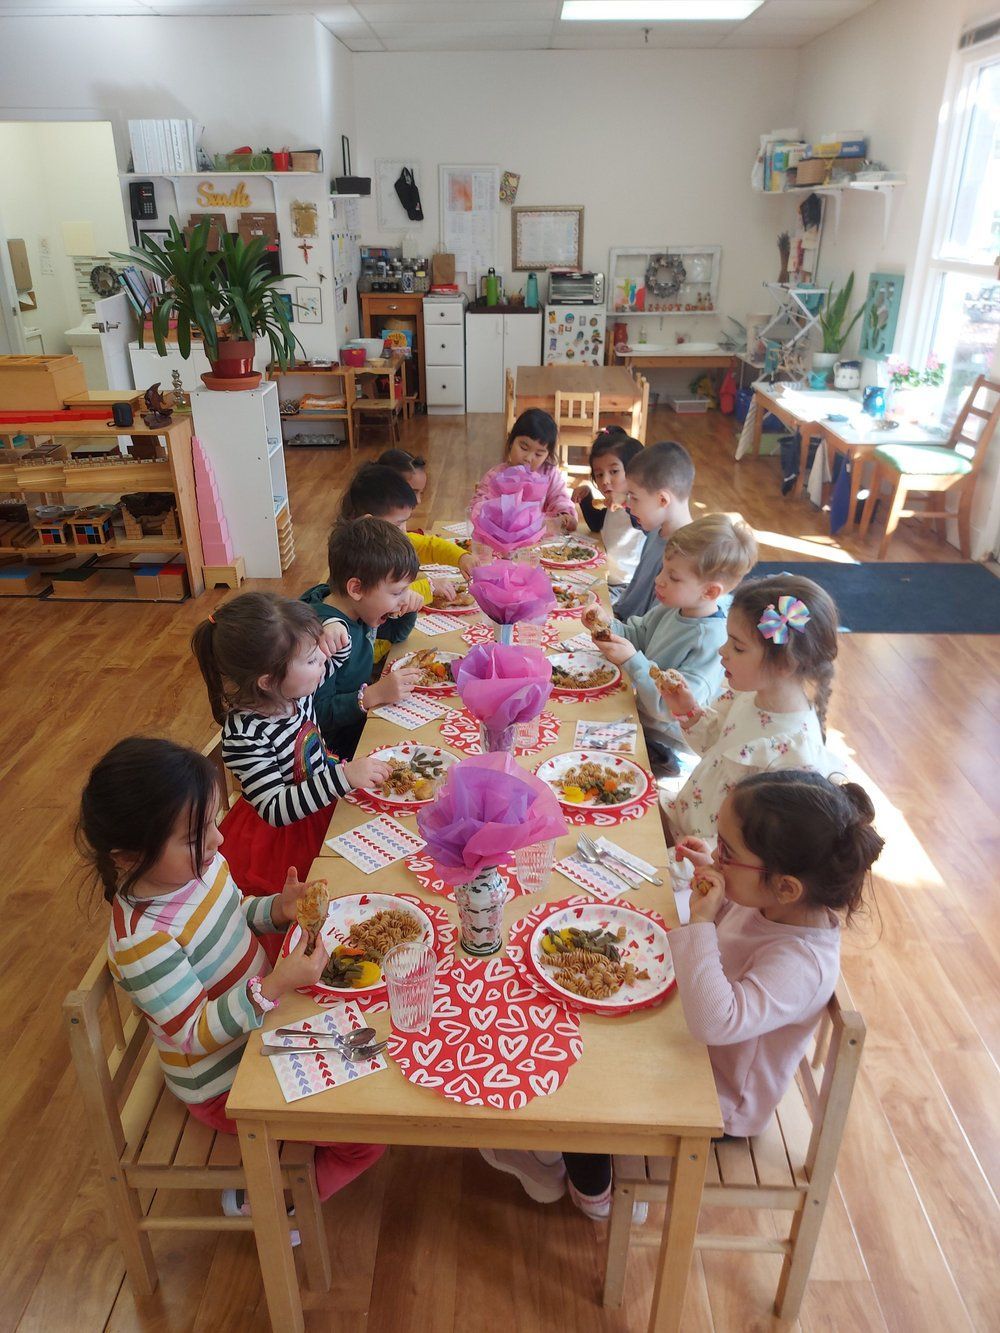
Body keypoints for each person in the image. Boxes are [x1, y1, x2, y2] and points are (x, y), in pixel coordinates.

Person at [482, 769, 883, 1215]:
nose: (716, 854)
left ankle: (596, 1190)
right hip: (693, 1042)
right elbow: (737, 936)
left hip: (717, 1099)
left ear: (786, 886)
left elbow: (716, 1021)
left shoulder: (801, 965)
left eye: (727, 851)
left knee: (588, 1073)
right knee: (573, 1013)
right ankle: (549, 1149)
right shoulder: (775, 904)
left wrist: (703, 922)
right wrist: (714, 874)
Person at [80, 737, 385, 1216]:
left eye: (213, 823)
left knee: (373, 1039)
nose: (219, 840)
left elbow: (235, 913)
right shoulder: (142, 940)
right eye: (195, 835)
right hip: (223, 1082)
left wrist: (278, 910)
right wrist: (276, 986)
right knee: (366, 1134)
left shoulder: (198, 867)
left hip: (260, 1024)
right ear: (126, 857)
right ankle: (274, 1204)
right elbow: (191, 1034)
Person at [191, 593, 388, 957]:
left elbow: (337, 658)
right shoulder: (245, 734)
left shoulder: (297, 688)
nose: (323, 664)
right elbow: (276, 809)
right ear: (267, 681)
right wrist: (343, 778)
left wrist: (332, 632)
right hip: (281, 840)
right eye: (312, 659)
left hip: (321, 804)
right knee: (310, 915)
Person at [657, 574, 839, 858]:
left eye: (738, 647)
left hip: (711, 862)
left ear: (785, 664)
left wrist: (701, 860)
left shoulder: (792, 754)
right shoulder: (749, 695)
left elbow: (751, 852)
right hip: (683, 819)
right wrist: (688, 710)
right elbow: (715, 749)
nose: (722, 651)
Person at [590, 515, 758, 775]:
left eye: (674, 577)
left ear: (710, 592)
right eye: (662, 569)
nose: (659, 580)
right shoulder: (674, 608)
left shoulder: (710, 641)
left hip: (666, 745)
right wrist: (606, 625)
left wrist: (632, 660)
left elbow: (669, 707)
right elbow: (637, 635)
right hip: (639, 717)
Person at [301, 517, 423, 757]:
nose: (404, 597)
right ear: (356, 589)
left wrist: (407, 609)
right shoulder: (326, 639)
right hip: (333, 752)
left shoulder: (361, 611)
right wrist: (371, 696)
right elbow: (318, 715)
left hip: (361, 725)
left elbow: (397, 635)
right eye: (397, 591)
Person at [340, 462, 476, 610]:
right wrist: (429, 587)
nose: (404, 531)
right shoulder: (362, 557)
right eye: (398, 524)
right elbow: (382, 598)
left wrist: (461, 557)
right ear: (369, 523)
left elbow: (428, 546)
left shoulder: (383, 539)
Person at [613, 441, 696, 621]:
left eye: (634, 498)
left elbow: (655, 625)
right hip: (622, 623)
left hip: (636, 641)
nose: (629, 506)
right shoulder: (655, 530)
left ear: (663, 500)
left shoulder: (684, 555)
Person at [571, 427, 645, 603]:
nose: (604, 481)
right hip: (607, 579)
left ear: (634, 470)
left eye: (614, 472)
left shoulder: (640, 506)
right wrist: (587, 497)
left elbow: (647, 521)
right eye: (599, 474)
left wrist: (627, 502)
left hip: (628, 589)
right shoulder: (614, 503)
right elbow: (598, 524)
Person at [470, 409, 577, 531]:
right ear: (510, 441)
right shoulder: (496, 475)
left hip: (540, 543)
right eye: (523, 447)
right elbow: (476, 507)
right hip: (503, 541)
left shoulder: (550, 475)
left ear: (548, 455)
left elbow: (560, 498)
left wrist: (565, 515)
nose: (528, 458)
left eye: (538, 454)